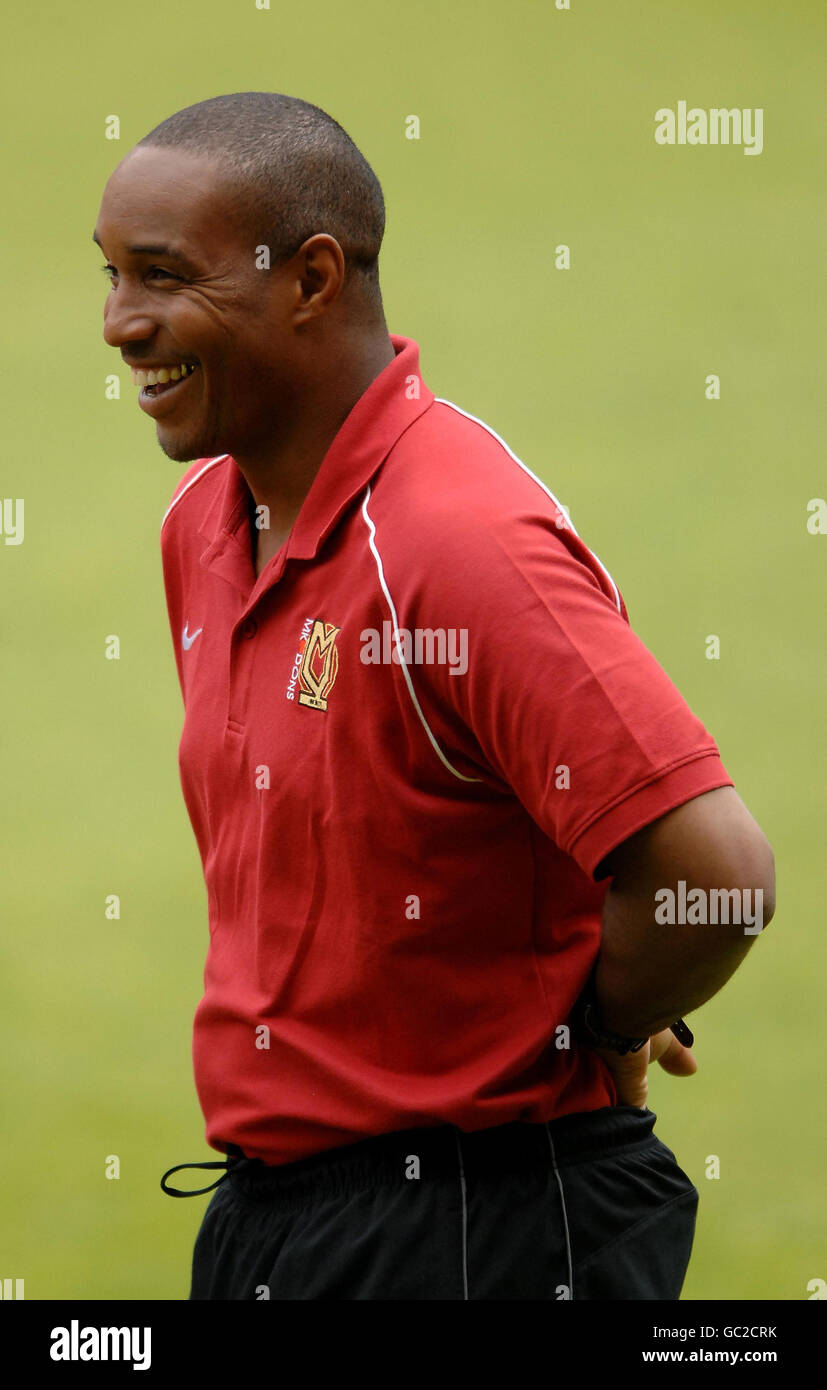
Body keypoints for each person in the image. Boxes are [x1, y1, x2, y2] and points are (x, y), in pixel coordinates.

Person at [93, 92, 776, 1301]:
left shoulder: (455, 540)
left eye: (160, 276)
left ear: (310, 279)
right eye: (109, 275)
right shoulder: (203, 527)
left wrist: (594, 1029)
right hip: (277, 1219)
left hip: (478, 1231)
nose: (117, 324)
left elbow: (714, 875)